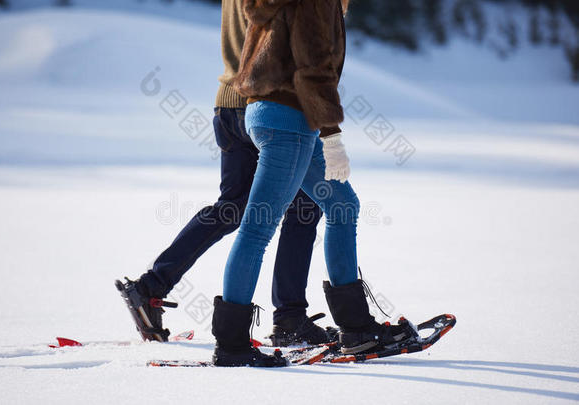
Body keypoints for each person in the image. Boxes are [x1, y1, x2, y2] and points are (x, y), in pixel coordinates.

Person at [115, 0, 335, 347]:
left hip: (227, 104)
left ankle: (151, 286)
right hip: (269, 103)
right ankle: (289, 317)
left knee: (232, 207)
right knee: (305, 206)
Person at [210, 0, 417, 367]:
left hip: (270, 112)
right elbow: (313, 67)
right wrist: (332, 135)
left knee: (342, 206)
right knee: (257, 230)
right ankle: (232, 346)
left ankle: (355, 329)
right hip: (288, 119)